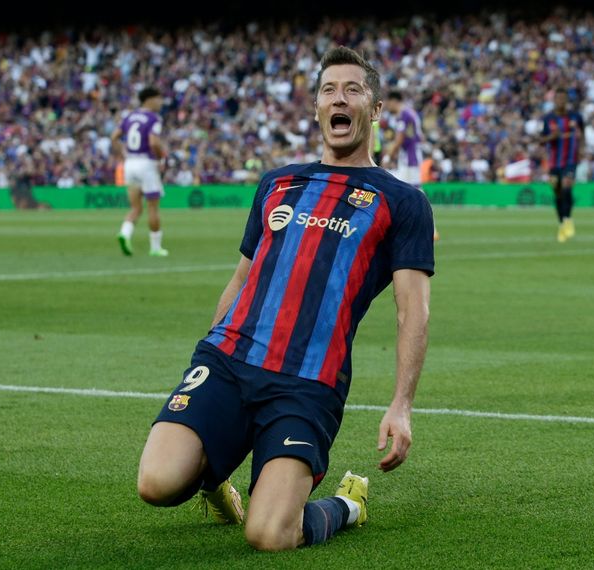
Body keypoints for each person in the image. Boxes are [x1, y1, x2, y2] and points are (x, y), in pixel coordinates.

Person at [137, 46, 434, 551]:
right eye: (328, 90)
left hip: (307, 381)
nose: (339, 99)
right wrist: (205, 351)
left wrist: (401, 405)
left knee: (269, 534)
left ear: (376, 110)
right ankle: (214, 482)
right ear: (317, 107)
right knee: (157, 484)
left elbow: (414, 310)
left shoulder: (403, 201)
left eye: (353, 90)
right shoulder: (278, 182)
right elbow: (241, 280)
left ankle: (347, 504)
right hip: (230, 361)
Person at [111, 87, 168, 257]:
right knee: (153, 207)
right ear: (149, 99)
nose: (161, 102)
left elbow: (114, 137)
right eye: (159, 99)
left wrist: (122, 155)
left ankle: (124, 233)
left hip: (130, 163)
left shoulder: (129, 116)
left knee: (136, 207)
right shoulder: (154, 118)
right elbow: (153, 143)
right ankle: (156, 247)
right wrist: (161, 159)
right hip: (146, 164)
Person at [382, 90, 439, 240]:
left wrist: (388, 156)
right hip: (409, 157)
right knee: (408, 190)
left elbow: (400, 139)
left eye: (388, 103)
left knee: (413, 191)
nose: (387, 106)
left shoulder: (404, 115)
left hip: (410, 158)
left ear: (395, 101)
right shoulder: (410, 113)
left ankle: (430, 227)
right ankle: (417, 227)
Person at [539, 87, 584, 242]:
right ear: (554, 100)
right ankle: (561, 224)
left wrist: (582, 149)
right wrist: (553, 136)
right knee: (556, 191)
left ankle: (568, 219)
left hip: (571, 159)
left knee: (567, 185)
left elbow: (582, 134)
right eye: (558, 99)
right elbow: (541, 140)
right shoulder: (548, 118)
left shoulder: (575, 116)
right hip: (554, 161)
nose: (561, 101)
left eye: (564, 98)